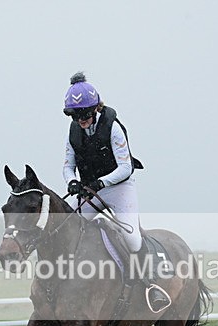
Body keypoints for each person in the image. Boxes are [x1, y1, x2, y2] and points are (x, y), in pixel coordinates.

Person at [61, 72, 170, 312]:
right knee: (66, 227)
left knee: (131, 238)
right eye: (75, 116)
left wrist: (102, 182)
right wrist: (72, 182)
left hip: (119, 188)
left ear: (95, 109)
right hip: (91, 191)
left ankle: (151, 286)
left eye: (84, 115)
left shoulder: (113, 127)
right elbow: (68, 165)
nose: (80, 120)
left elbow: (125, 167)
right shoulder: (73, 132)